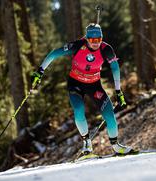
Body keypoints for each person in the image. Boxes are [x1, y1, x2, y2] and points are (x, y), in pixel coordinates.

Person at [31, 23, 135, 156]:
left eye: (99, 39)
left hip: (94, 85)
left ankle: (116, 146)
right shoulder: (78, 45)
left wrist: (118, 91)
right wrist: (40, 71)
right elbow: (54, 54)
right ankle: (86, 143)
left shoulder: (106, 49)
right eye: (92, 40)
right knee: (79, 110)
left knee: (109, 115)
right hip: (76, 84)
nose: (96, 43)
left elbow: (115, 68)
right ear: (87, 38)